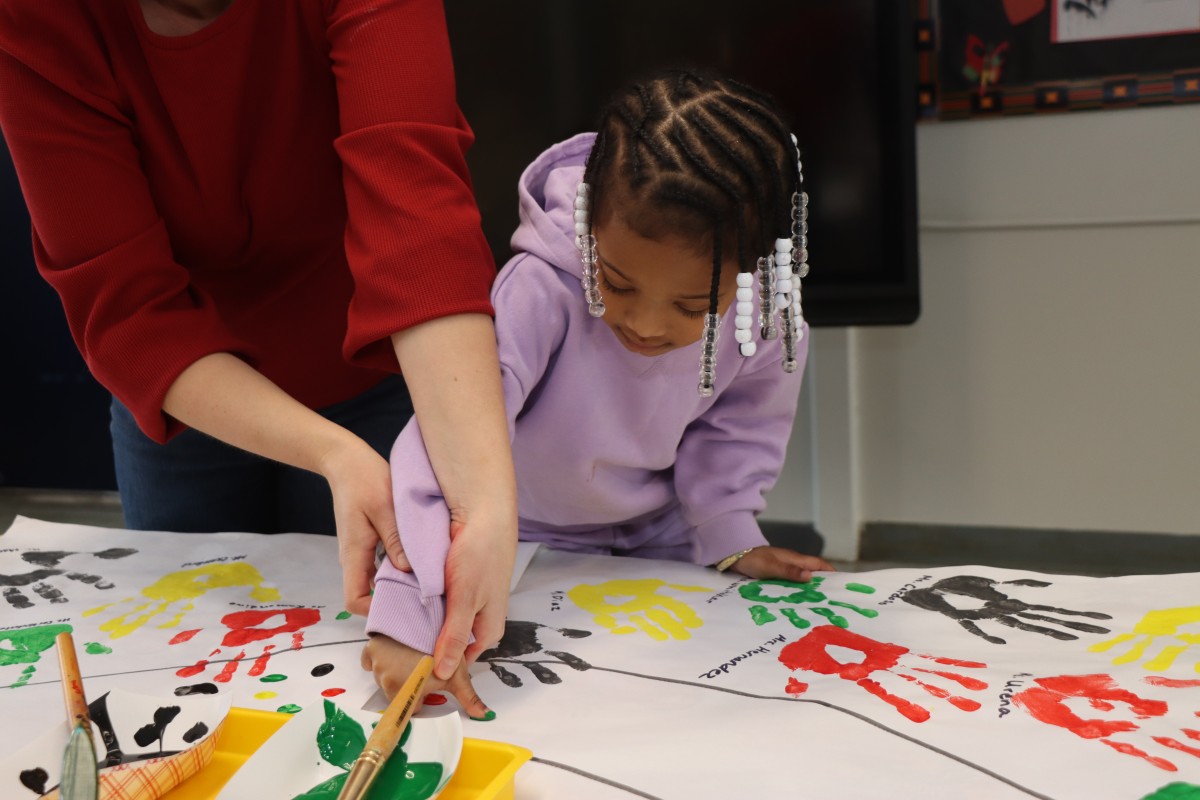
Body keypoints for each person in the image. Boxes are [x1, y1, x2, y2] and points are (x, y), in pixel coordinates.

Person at [0, 0, 518, 617]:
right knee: (183, 652)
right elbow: (129, 312)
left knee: (377, 625)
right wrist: (333, 453)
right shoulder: (36, 18)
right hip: (186, 398)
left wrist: (485, 502)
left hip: (370, 368)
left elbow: (418, 220)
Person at [361, 69, 834, 717]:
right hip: (511, 533)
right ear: (588, 231)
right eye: (616, 282)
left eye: (692, 305)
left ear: (755, 269)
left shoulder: (770, 320)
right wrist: (406, 614)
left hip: (656, 535)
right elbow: (447, 441)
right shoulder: (538, 288)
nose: (645, 324)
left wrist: (729, 530)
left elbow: (736, 434)